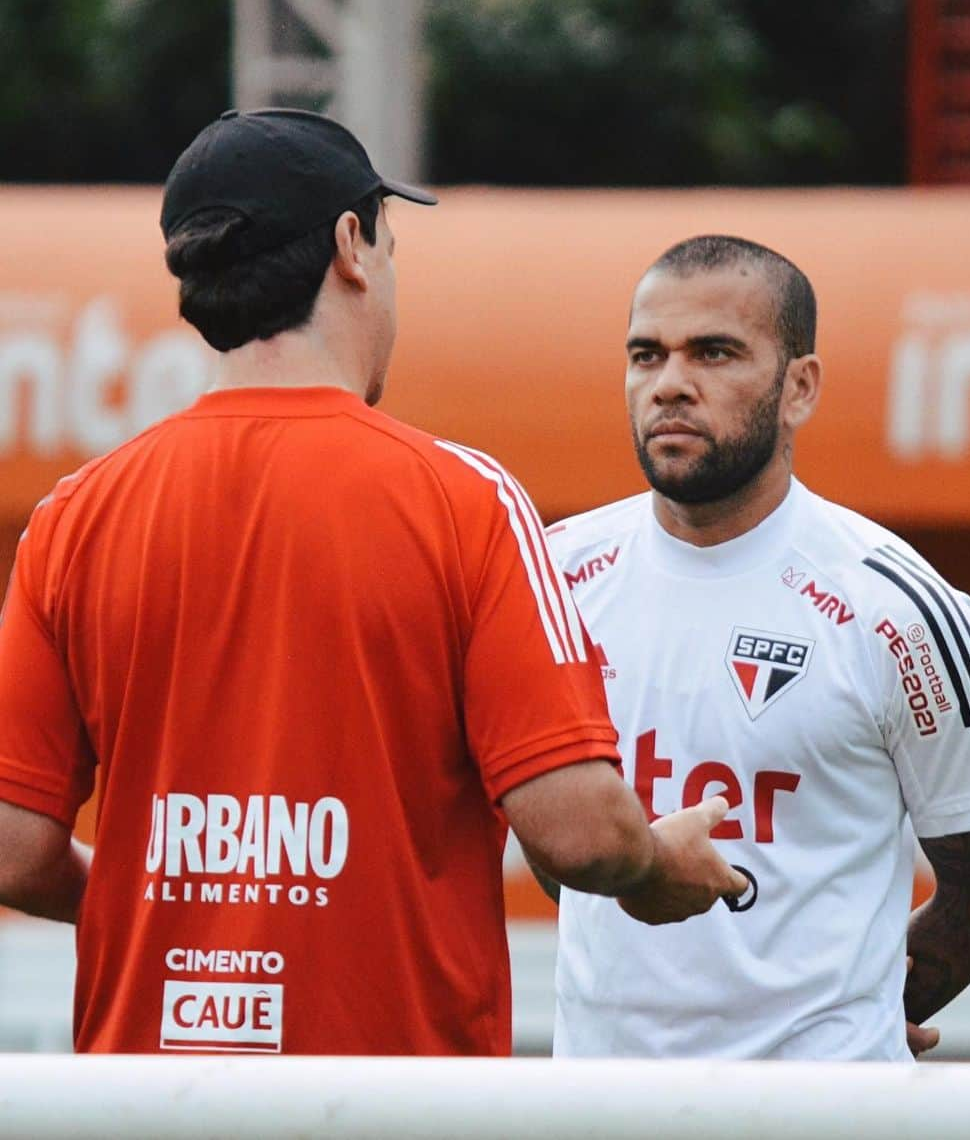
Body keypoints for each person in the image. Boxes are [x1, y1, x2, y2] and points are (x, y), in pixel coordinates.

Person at [0, 110, 744, 1056]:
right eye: (390, 243)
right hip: (395, 1095)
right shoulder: (465, 501)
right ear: (352, 246)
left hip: (151, 1092)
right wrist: (653, 867)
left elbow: (13, 851)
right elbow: (583, 833)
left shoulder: (77, 514)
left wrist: (169, 910)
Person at [543, 234, 970, 1061]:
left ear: (799, 387)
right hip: (601, 1106)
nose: (670, 384)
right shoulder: (553, 579)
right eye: (646, 355)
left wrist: (877, 1008)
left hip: (822, 1112)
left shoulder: (899, 610)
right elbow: (561, 851)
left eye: (715, 353)